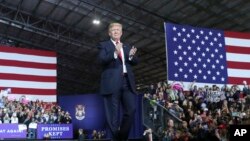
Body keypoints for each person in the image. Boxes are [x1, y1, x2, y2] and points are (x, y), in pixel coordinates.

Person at [98, 22, 138, 141]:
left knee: (131, 110)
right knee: (113, 116)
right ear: (109, 33)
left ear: (121, 32)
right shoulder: (103, 45)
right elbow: (101, 59)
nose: (116, 31)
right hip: (111, 83)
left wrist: (131, 56)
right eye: (113, 30)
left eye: (118, 30)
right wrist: (115, 52)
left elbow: (135, 62)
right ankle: (116, 138)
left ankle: (121, 137)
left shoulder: (126, 46)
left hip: (127, 82)